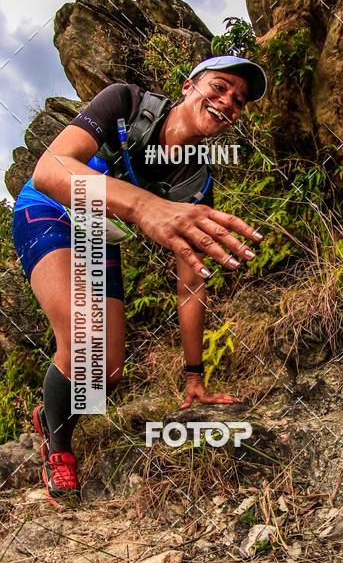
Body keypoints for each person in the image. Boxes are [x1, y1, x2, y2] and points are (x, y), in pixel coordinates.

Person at [11, 55, 268, 507]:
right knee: (83, 334)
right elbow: (50, 170)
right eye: (221, 86)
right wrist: (143, 207)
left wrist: (194, 375)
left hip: (96, 229)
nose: (228, 101)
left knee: (105, 372)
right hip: (48, 207)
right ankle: (59, 449)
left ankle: (51, 420)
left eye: (239, 101)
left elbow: (191, 284)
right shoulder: (125, 103)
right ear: (189, 86)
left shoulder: (194, 181)